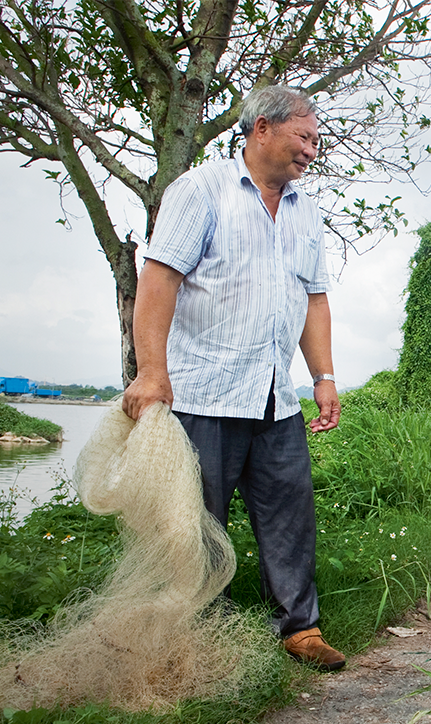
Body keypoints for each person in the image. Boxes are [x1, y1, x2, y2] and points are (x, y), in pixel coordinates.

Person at [122, 85, 346, 671]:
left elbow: (314, 301)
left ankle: (301, 630)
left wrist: (322, 376)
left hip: (276, 399)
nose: (311, 152)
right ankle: (192, 640)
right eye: (304, 137)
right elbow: (159, 280)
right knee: (195, 524)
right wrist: (151, 373)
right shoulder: (200, 191)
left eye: (315, 141)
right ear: (262, 129)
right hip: (204, 393)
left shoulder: (307, 211)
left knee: (290, 516)